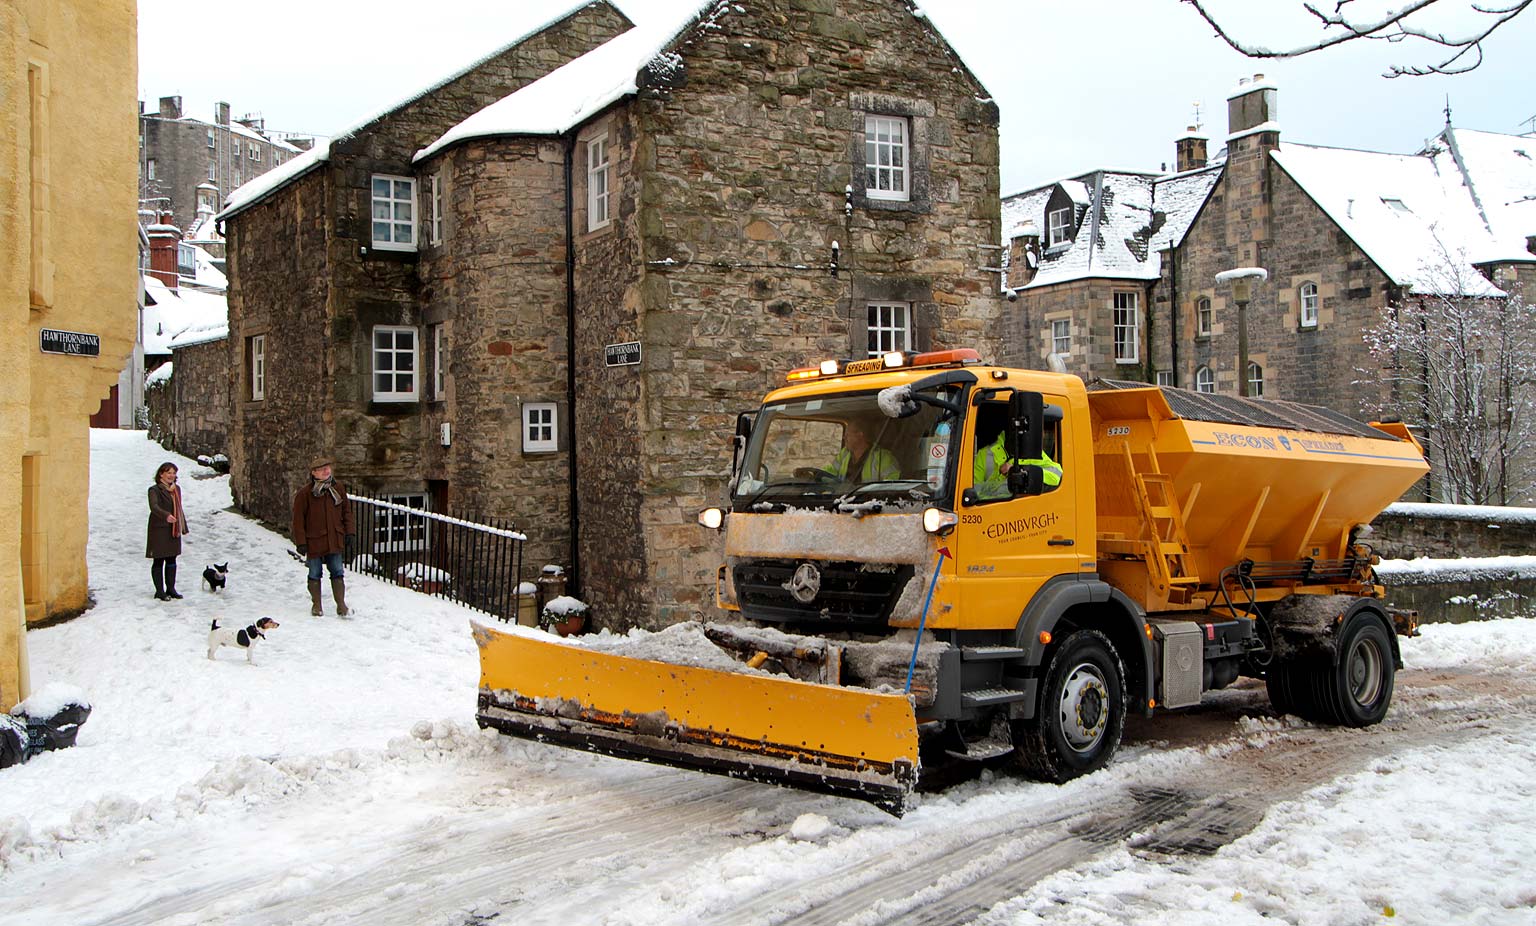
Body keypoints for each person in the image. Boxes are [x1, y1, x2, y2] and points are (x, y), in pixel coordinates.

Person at [292, 456, 356, 616]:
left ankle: (341, 605)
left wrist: (350, 532)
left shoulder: (338, 489)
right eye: (322, 469)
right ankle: (317, 605)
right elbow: (298, 520)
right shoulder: (305, 494)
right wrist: (301, 542)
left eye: (328, 468)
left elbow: (346, 512)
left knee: (337, 571)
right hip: (314, 540)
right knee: (314, 573)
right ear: (314, 473)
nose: (327, 471)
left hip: (334, 538)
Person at [974, 430, 1061, 499]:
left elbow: (1057, 474)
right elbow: (973, 492)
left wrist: (1020, 470)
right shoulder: (984, 453)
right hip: (989, 512)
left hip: (1022, 513)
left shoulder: (1033, 452)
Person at [146, 461, 188, 600]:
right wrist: (166, 515)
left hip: (173, 528)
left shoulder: (177, 489)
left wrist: (182, 524)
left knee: (172, 559)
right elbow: (154, 506)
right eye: (169, 472)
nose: (171, 475)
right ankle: (159, 591)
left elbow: (179, 508)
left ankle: (171, 589)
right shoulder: (154, 490)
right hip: (159, 529)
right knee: (158, 559)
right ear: (161, 474)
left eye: (174, 473)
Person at [832, 420, 901, 482]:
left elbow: (892, 484)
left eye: (847, 435)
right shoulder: (844, 453)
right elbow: (830, 473)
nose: (844, 438)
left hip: (871, 496)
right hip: (843, 495)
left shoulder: (883, 457)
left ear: (860, 434)